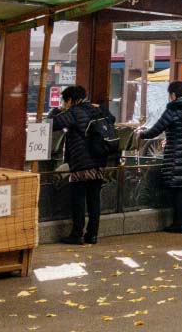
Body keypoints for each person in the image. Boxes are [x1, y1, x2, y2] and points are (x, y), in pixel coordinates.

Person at [49, 85, 116, 245]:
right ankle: (92, 235)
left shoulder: (74, 112)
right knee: (94, 200)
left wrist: (57, 111)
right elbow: (112, 119)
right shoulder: (98, 110)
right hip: (99, 161)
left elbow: (52, 123)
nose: (65, 104)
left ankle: (77, 234)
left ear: (70, 100)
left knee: (78, 199)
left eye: (65, 101)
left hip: (81, 164)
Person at [138, 81, 182, 232]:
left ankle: (179, 224)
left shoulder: (172, 111)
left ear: (173, 95)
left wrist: (141, 134)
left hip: (176, 156)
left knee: (178, 190)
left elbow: (156, 130)